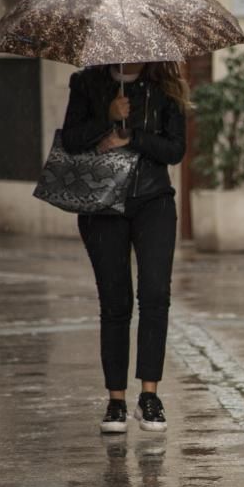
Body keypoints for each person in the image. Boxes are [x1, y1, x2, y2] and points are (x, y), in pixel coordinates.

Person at [61, 61, 189, 434]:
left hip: (153, 201)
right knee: (115, 302)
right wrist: (107, 115)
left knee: (154, 295)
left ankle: (149, 395)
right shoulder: (87, 82)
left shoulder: (166, 86)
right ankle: (116, 399)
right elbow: (71, 139)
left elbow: (175, 149)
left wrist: (132, 136)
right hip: (102, 204)